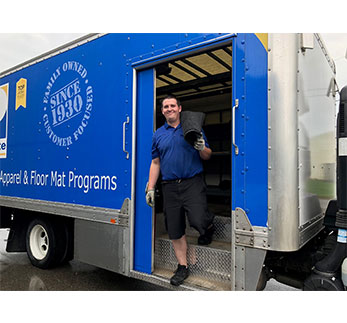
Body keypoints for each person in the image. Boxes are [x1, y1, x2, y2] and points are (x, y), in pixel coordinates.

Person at [145, 94, 214, 286]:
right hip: (169, 187)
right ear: (162, 111)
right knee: (174, 229)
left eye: (172, 106)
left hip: (192, 182)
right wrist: (150, 187)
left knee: (198, 219)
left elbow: (207, 155)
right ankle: (182, 266)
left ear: (179, 108)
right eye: (165, 107)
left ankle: (208, 226)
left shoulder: (192, 128)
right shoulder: (158, 134)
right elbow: (155, 162)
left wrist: (201, 147)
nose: (169, 109)